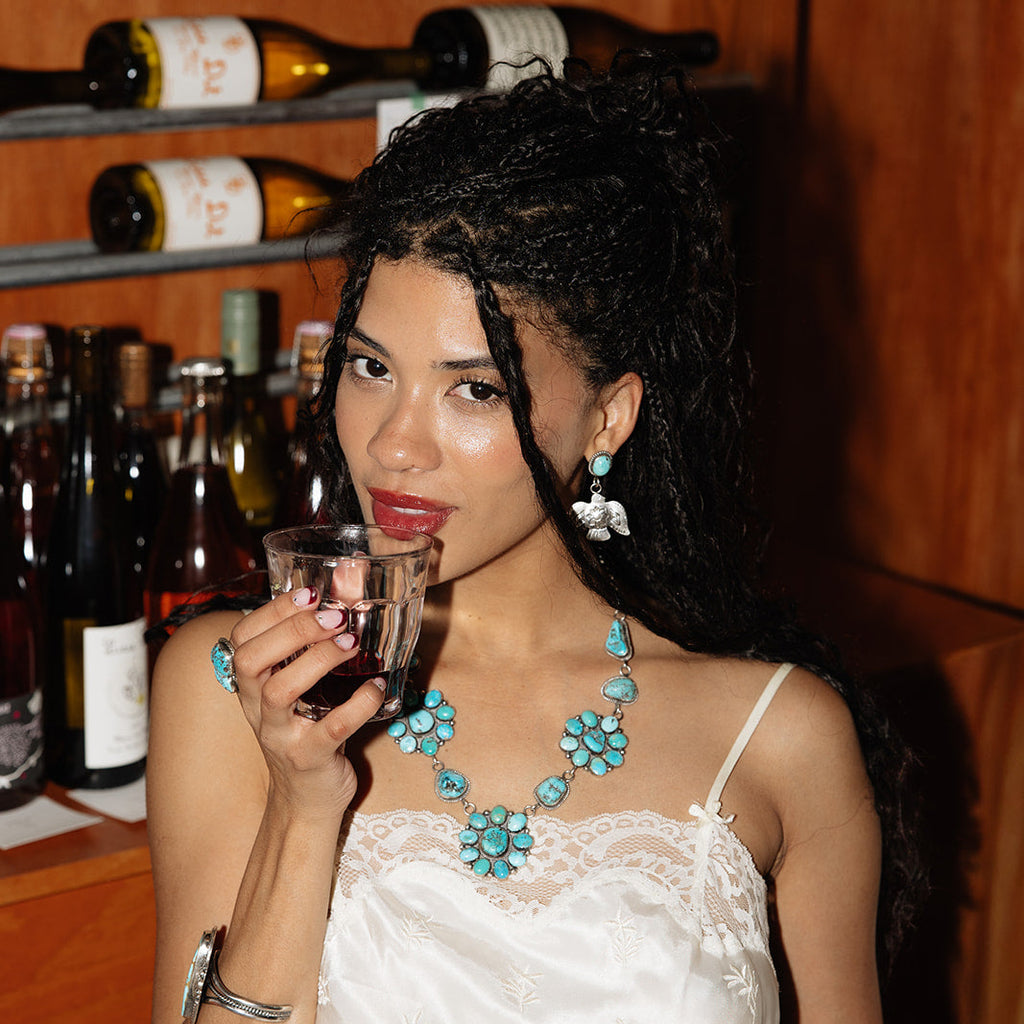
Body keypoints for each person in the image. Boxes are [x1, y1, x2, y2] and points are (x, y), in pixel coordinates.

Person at [148, 54, 919, 1024]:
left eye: (475, 388)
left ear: (608, 417)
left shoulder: (781, 736)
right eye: (370, 367)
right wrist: (302, 809)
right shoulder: (233, 686)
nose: (393, 442)